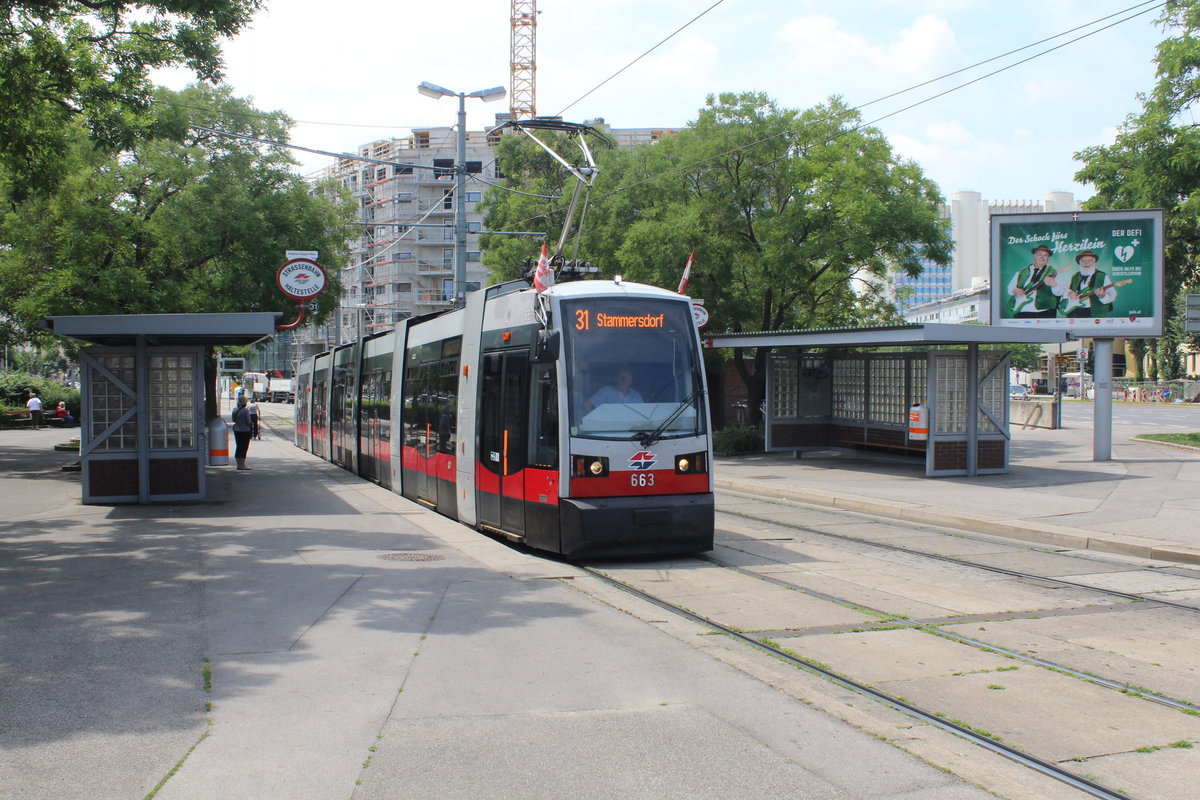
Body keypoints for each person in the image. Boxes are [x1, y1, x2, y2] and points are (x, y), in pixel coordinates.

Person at [1007, 244, 1062, 318]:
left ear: (1048, 258)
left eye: (1045, 255)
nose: (1042, 257)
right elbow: (1010, 288)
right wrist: (1014, 290)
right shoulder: (1022, 271)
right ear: (1035, 256)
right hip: (1021, 311)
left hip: (1044, 313)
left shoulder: (1052, 272)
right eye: (1040, 254)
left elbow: (1060, 292)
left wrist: (1054, 285)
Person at [1064, 250, 1118, 318]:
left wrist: (1102, 296)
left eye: (1089, 260)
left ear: (1094, 262)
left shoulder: (1102, 276)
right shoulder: (1074, 276)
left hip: (1095, 313)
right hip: (1074, 311)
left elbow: (1112, 294)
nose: (1086, 263)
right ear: (1079, 263)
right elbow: (1065, 290)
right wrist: (1069, 292)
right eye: (1083, 261)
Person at [232, 395, 253, 470]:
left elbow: (233, 420)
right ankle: (242, 465)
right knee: (244, 447)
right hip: (244, 431)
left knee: (239, 447)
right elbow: (248, 422)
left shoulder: (235, 409)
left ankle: (238, 464)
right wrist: (251, 422)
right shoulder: (245, 410)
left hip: (236, 430)